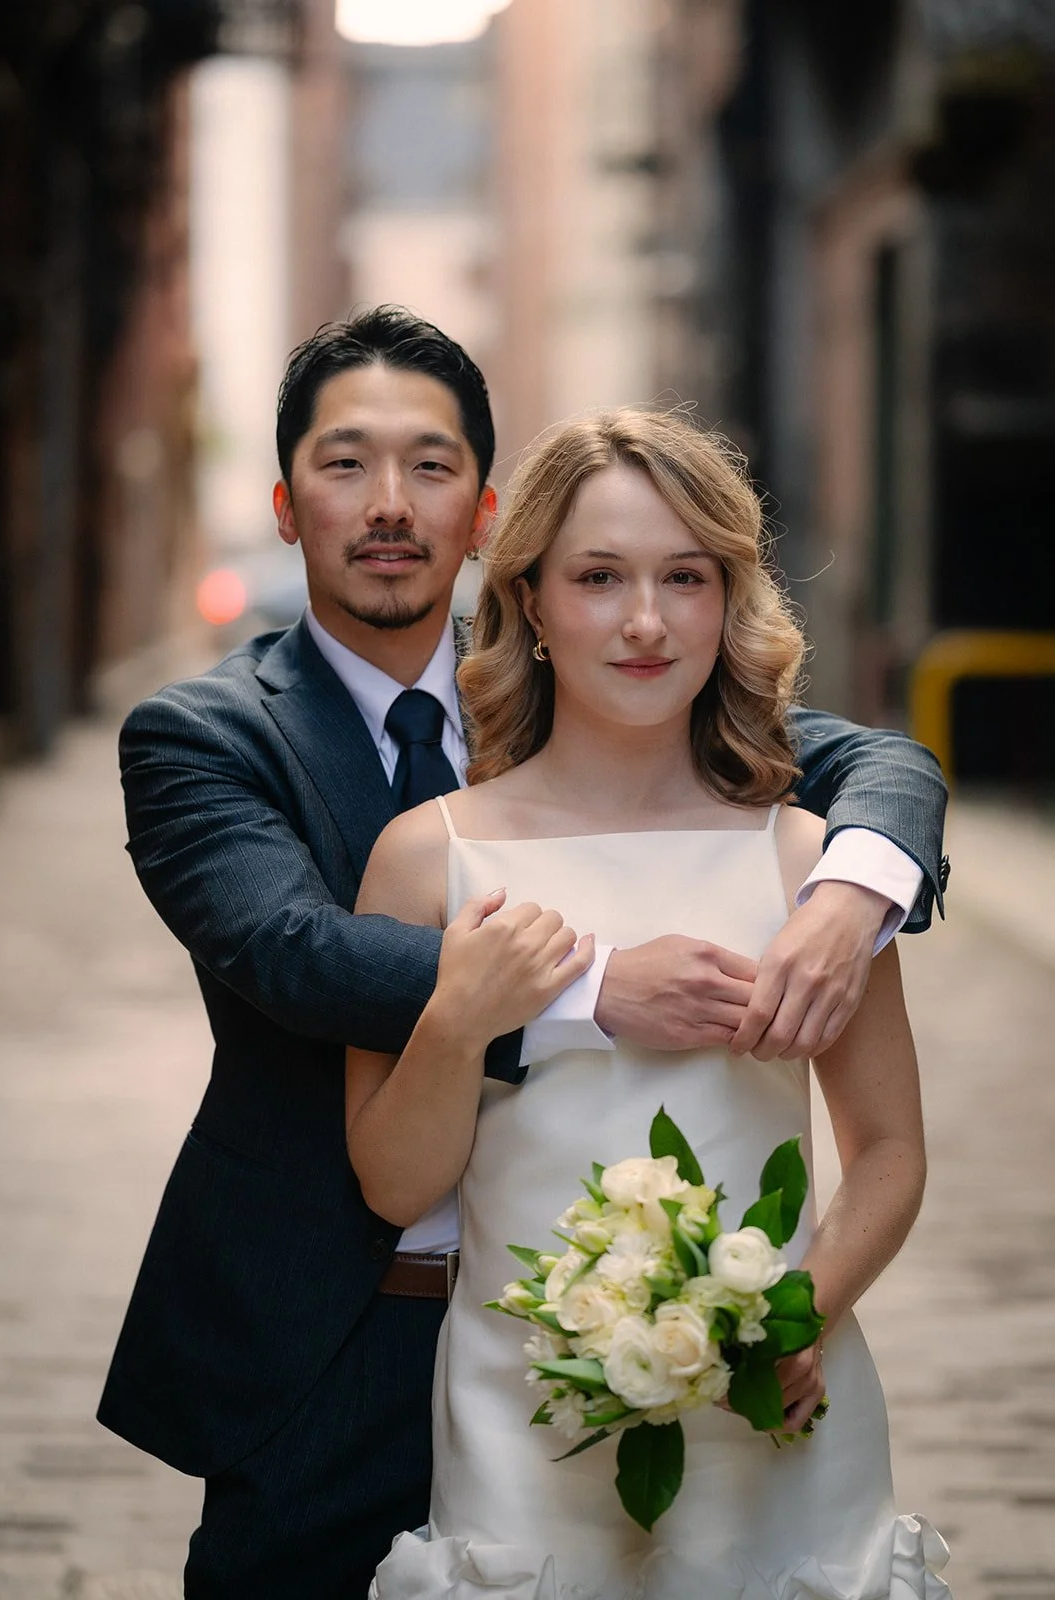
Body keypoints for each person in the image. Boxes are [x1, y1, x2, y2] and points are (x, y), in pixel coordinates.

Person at [97, 307, 947, 1600]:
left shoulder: (781, 826)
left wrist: (850, 892)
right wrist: (578, 988)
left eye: (431, 466)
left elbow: (874, 775)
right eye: (345, 464)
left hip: (756, 1403)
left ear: (486, 516)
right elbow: (289, 953)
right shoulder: (220, 746)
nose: (644, 620)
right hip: (366, 1344)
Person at [348, 409, 952, 1599]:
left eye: (684, 576)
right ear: (528, 599)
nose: (643, 619)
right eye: (598, 577)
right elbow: (394, 1182)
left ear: (728, 603)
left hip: (774, 1406)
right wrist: (464, 1014)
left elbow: (886, 1151)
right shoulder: (425, 858)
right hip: (520, 1410)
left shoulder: (807, 865)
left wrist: (798, 1314)